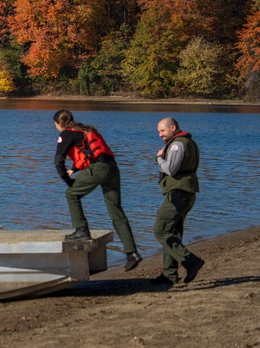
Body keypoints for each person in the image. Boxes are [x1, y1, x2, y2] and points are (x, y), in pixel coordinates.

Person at [52, 109, 142, 271]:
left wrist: (68, 182)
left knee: (71, 194)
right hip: (112, 168)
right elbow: (91, 152)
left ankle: (81, 230)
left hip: (99, 169)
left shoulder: (65, 133)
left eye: (55, 125)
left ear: (58, 124)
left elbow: (58, 161)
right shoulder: (86, 129)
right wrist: (74, 169)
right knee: (116, 212)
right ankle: (132, 253)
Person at [152, 117, 204, 286]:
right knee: (173, 232)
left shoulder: (177, 144)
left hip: (179, 194)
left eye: (162, 130)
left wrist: (159, 158)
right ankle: (169, 274)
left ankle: (190, 261)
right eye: (159, 131)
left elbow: (171, 169)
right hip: (185, 193)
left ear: (173, 127)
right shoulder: (187, 142)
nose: (160, 135)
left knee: (161, 230)